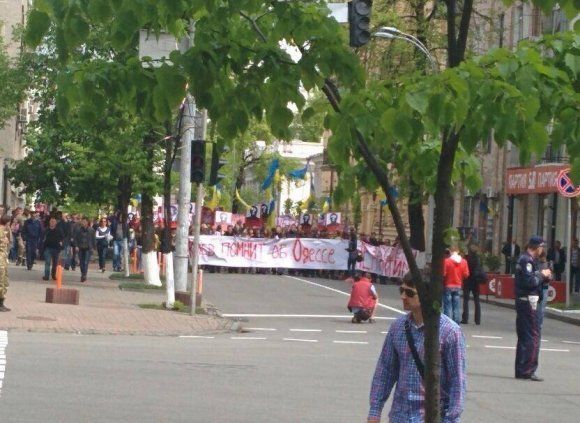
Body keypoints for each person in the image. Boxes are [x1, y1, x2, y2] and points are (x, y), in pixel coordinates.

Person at [368, 272, 466, 422]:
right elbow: (385, 371)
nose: (403, 297)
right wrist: (374, 411)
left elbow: (457, 382)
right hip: (399, 416)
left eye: (409, 293)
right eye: (401, 291)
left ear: (427, 296)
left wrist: (451, 419)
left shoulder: (449, 332)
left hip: (430, 417)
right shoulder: (398, 327)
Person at [514, 236, 551, 382]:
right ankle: (528, 369)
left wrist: (543, 277)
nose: (542, 250)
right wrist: (542, 275)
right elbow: (530, 281)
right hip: (529, 301)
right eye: (541, 247)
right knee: (532, 336)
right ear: (537, 246)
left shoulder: (526, 260)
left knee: (524, 336)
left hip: (524, 300)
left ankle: (521, 368)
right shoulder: (527, 261)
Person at [443, 246, 469, 323]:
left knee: (447, 306)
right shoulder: (464, 262)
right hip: (458, 285)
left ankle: (447, 322)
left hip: (448, 285)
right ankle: (456, 322)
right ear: (458, 252)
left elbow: (443, 274)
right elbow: (466, 274)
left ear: (451, 251)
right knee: (456, 306)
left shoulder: (446, 261)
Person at [462, 244, 485, 325]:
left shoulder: (466, 258)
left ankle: (465, 318)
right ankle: (477, 320)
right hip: (476, 281)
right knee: (477, 300)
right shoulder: (478, 259)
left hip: (467, 280)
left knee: (466, 300)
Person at [42, 217, 64, 281]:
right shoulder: (46, 230)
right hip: (48, 248)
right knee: (47, 262)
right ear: (49, 222)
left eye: (53, 222)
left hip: (56, 248)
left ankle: (53, 275)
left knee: (55, 263)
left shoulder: (59, 230)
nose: (52, 223)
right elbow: (43, 238)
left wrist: (61, 243)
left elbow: (62, 238)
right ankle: (46, 276)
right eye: (51, 221)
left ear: (56, 223)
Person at [74, 217, 95, 282]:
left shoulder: (91, 230)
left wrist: (93, 248)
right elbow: (75, 239)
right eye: (82, 222)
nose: (83, 223)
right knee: (81, 262)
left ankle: (84, 275)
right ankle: (83, 273)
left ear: (87, 222)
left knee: (86, 262)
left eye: (84, 222)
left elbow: (93, 240)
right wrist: (76, 246)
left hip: (88, 248)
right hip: (80, 248)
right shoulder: (78, 230)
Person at [0, 215, 12, 312]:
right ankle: (0, 304)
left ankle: (2, 303)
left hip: (3, 259)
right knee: (1, 282)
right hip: (0, 261)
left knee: (4, 282)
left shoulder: (4, 231)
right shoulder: (1, 230)